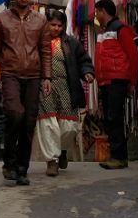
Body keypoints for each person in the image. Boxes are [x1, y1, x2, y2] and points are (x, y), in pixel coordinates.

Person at [0, 0, 53, 186]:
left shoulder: (40, 21)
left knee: (29, 123)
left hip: (34, 76)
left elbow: (46, 50)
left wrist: (47, 77)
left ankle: (22, 168)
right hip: (10, 74)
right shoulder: (0, 20)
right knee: (15, 114)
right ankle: (9, 163)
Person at [36, 10, 94, 177]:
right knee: (48, 124)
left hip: (66, 87)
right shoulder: (37, 42)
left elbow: (84, 60)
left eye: (59, 25)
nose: (55, 28)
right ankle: (52, 161)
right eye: (52, 24)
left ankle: (61, 150)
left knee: (69, 126)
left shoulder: (72, 43)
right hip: (44, 87)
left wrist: (88, 72)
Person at [91, 0, 138, 170]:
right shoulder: (104, 32)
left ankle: (119, 157)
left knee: (114, 117)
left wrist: (132, 82)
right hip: (106, 80)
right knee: (110, 118)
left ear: (103, 11)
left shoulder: (121, 28)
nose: (96, 15)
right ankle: (117, 156)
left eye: (97, 12)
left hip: (117, 80)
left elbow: (134, 56)